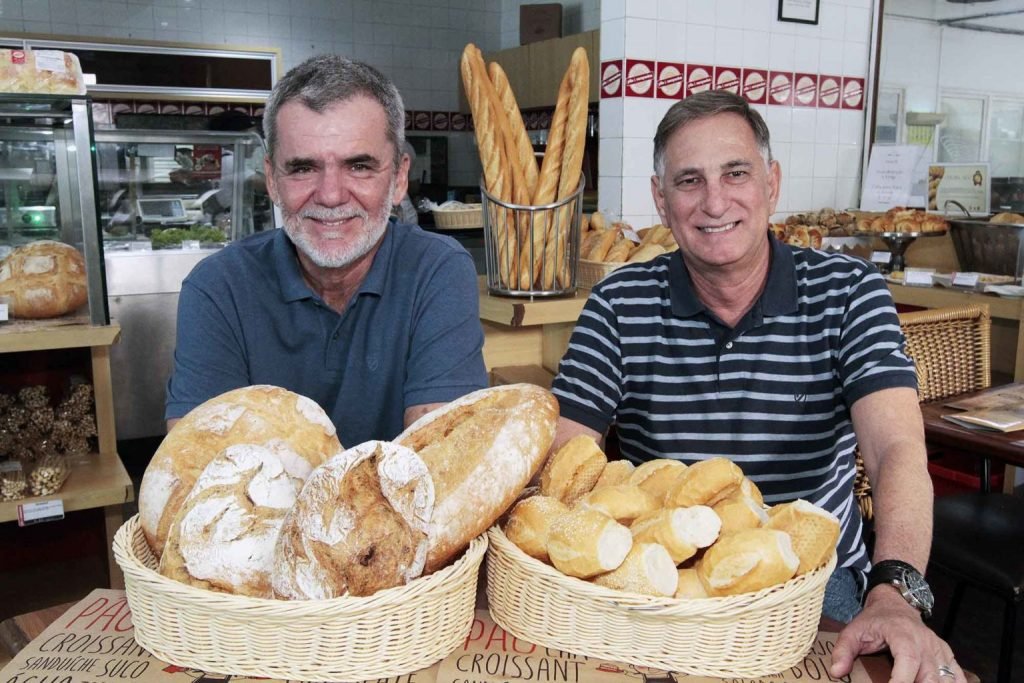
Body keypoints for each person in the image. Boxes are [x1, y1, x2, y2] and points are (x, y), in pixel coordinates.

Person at [551, 90, 964, 682]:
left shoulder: (849, 293)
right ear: (660, 200)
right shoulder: (619, 304)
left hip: (811, 586)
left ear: (770, 183)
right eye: (689, 180)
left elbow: (895, 449)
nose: (714, 201)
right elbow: (567, 457)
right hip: (662, 589)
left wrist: (896, 591)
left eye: (735, 173)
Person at [165, 55, 488, 446]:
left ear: (399, 178)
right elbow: (199, 466)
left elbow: (442, 455)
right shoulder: (219, 287)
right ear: (271, 180)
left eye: (359, 166)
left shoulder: (436, 270)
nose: (331, 196)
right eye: (303, 168)